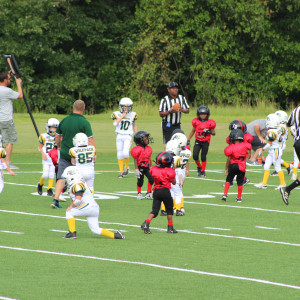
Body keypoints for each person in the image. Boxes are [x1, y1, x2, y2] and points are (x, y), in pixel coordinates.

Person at [51, 100, 95, 209]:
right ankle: (83, 200)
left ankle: (56, 199)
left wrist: (59, 146)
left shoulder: (64, 120)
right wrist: (94, 153)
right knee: (81, 178)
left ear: (73, 107)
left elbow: (57, 136)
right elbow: (90, 140)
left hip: (65, 152)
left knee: (61, 177)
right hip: (79, 155)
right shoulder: (84, 122)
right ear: (84, 109)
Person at [61, 166, 125, 239]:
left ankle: (72, 233)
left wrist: (71, 207)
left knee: (69, 212)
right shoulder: (79, 183)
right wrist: (72, 205)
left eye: (66, 178)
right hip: (94, 208)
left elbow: (78, 200)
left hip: (87, 207)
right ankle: (116, 235)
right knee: (95, 229)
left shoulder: (77, 184)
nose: (65, 180)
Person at [141, 152, 177, 234]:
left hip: (156, 191)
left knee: (155, 211)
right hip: (165, 191)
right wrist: (173, 170)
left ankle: (146, 223)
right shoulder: (169, 171)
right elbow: (174, 182)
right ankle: (170, 227)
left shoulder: (153, 169)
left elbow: (153, 175)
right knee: (169, 210)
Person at [254, 114, 286, 190]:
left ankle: (283, 184)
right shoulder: (277, 129)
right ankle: (264, 183)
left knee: (277, 167)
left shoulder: (271, 131)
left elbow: (269, 143)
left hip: (275, 150)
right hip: (273, 150)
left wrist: (263, 149)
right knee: (266, 165)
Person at [0, 71, 23, 169]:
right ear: (5, 80)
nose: (10, 80)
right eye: (9, 79)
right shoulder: (6, 91)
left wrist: (9, 72)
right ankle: (7, 163)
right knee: (10, 141)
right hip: (6, 119)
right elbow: (20, 95)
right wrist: (18, 83)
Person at [222, 129, 251, 202]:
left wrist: (226, 169)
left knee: (229, 179)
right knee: (240, 182)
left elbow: (228, 159)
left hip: (233, 165)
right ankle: (239, 197)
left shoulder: (231, 147)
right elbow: (249, 154)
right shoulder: (246, 145)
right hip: (242, 167)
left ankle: (225, 194)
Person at [111, 97, 138, 178]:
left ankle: (126, 167)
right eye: (124, 107)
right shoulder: (116, 114)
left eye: (128, 107)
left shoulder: (133, 114)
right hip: (119, 135)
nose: (126, 109)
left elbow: (134, 125)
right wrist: (122, 116)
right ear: (121, 107)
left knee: (125, 152)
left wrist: (136, 135)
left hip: (128, 136)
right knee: (119, 154)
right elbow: (115, 124)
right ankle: (121, 171)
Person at [187, 106, 216, 177]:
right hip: (198, 141)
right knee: (195, 155)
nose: (203, 116)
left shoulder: (210, 123)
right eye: (201, 114)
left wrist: (209, 131)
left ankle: (203, 171)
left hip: (206, 142)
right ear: (198, 114)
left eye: (204, 114)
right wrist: (188, 139)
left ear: (207, 114)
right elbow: (193, 130)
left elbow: (214, 133)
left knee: (203, 156)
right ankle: (199, 167)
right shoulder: (196, 122)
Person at [279, 105, 300, 205]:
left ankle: (287, 189)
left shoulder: (295, 110)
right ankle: (287, 189)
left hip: (297, 143)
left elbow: (288, 123)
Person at [224, 120, 252, 187]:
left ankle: (234, 181)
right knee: (236, 168)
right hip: (239, 155)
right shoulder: (244, 137)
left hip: (238, 155)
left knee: (233, 167)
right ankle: (241, 180)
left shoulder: (245, 138)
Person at [37, 118, 60, 197]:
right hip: (46, 158)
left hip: (54, 159)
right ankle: (40, 184)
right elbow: (40, 147)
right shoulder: (43, 136)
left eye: (55, 128)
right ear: (48, 127)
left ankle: (49, 189)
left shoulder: (58, 137)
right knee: (45, 175)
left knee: (51, 175)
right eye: (52, 127)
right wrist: (43, 154)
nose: (53, 129)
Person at [130, 131, 154, 200]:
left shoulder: (148, 148)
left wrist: (151, 167)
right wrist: (136, 169)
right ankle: (139, 193)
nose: (147, 140)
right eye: (145, 139)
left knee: (151, 179)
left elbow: (149, 158)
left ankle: (148, 193)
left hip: (147, 167)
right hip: (140, 167)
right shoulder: (136, 150)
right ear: (140, 140)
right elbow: (135, 159)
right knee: (140, 181)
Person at [270, 110, 292, 176]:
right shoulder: (282, 125)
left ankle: (278, 170)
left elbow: (278, 134)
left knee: (275, 158)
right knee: (276, 158)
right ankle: (288, 166)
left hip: (280, 144)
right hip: (280, 143)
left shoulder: (282, 126)